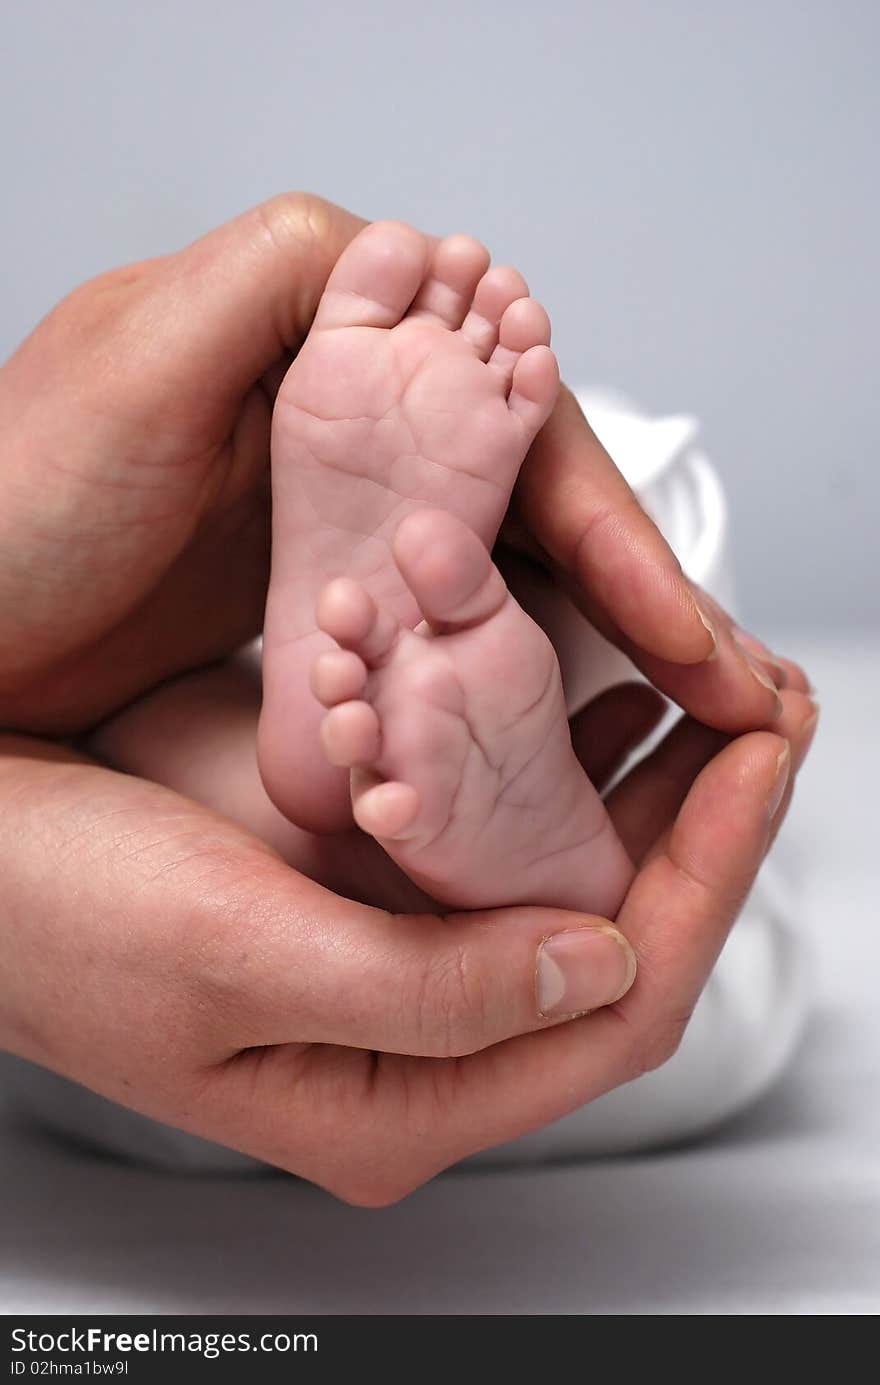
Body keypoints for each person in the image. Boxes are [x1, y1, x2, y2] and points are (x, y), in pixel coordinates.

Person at [0, 193, 815, 1204]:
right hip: (605, 1011)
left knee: (133, 734)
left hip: (127, 1062)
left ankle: (316, 807)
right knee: (654, 517)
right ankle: (492, 691)